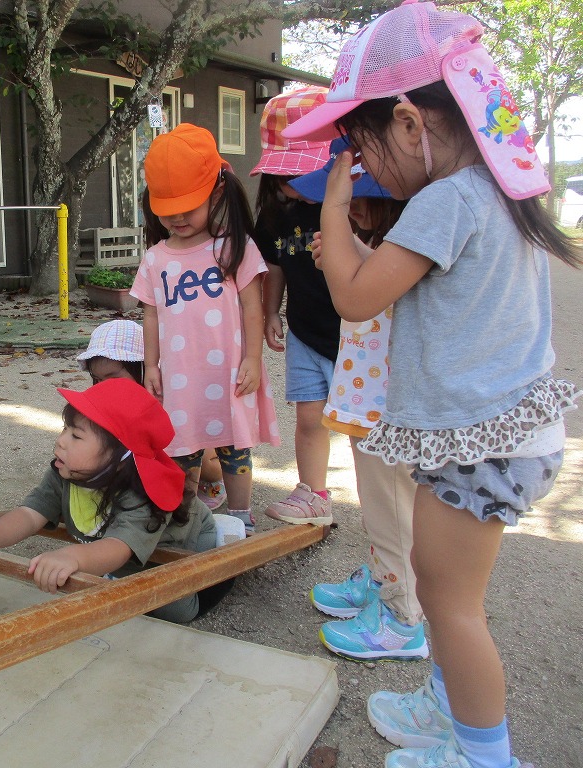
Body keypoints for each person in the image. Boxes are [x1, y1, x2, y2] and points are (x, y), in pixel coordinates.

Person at [284, 3, 582, 766]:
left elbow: (355, 298)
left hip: (480, 443)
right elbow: (390, 289)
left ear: (411, 123)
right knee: (438, 584)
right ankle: (447, 710)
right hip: (488, 435)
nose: (361, 166)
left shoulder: (448, 199)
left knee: (452, 607)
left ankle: (483, 756)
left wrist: (336, 208)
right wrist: (354, 243)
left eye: (361, 148)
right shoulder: (492, 189)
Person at [0, 378, 235, 623]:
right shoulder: (64, 473)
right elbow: (28, 514)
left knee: (176, 612)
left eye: (76, 436)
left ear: (120, 457)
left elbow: (117, 547)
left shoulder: (144, 494)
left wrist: (73, 557)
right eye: (65, 429)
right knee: (123, 588)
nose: (61, 440)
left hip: (187, 541)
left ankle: (228, 552)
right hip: (129, 551)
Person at [289, 137, 426, 662]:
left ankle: (401, 617)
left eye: (353, 199)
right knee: (380, 508)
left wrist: (354, 254)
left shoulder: (406, 246)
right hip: (368, 406)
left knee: (393, 511)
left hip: (387, 411)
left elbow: (395, 299)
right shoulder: (389, 245)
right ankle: (382, 580)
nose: (349, 212)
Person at [131, 123, 280, 535]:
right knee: (182, 447)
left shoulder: (234, 247)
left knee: (235, 446)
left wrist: (253, 358)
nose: (177, 217)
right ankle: (187, 517)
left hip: (229, 371)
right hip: (180, 375)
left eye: (188, 206)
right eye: (167, 208)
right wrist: (151, 365)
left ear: (217, 194)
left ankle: (241, 514)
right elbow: (151, 315)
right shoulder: (156, 258)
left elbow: (252, 306)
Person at [250, 87, 338, 528]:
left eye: (308, 175)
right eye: (289, 177)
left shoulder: (353, 208)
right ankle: (314, 493)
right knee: (309, 417)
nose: (299, 188)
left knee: (364, 426)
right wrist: (271, 312)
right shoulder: (277, 214)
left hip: (354, 333)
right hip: (304, 330)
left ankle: (388, 500)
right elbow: (275, 266)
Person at [77, 319, 227, 510]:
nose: (104, 386)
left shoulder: (163, 397)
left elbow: (178, 440)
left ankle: (213, 481)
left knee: (203, 463)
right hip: (145, 458)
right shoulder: (100, 399)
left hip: (179, 448)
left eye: (113, 377)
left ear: (140, 368)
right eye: (97, 379)